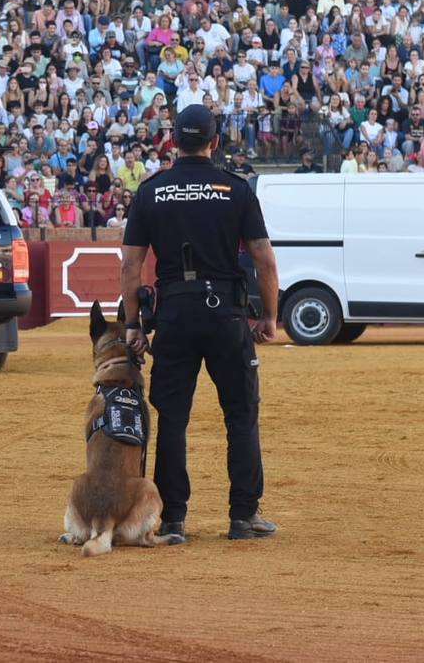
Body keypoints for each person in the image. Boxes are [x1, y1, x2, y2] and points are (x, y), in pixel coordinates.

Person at [120, 104, 281, 543]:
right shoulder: (235, 189)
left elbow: (131, 266)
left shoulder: (151, 192)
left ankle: (173, 518)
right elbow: (264, 260)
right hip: (226, 313)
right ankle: (243, 516)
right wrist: (268, 316)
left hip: (173, 313)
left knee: (172, 418)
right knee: (241, 415)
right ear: (215, 142)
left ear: (172, 141)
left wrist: (133, 324)